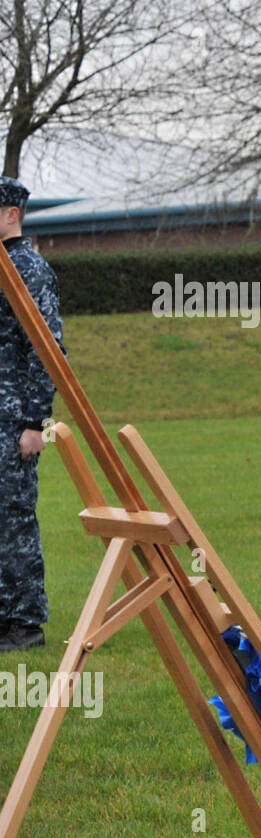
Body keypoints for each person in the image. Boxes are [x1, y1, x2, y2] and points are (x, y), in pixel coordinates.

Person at [1, 176, 64, 654]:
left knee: (14, 520)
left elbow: (45, 351)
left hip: (12, 418)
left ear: (11, 214)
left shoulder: (29, 269)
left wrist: (34, 422)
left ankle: (24, 624)